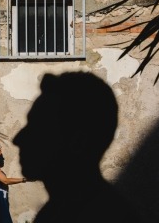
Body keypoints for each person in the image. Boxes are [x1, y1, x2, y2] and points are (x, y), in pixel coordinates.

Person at [13, 72, 144, 222]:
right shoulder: (59, 210)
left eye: (37, 128)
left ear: (78, 142)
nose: (18, 139)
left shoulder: (101, 215)